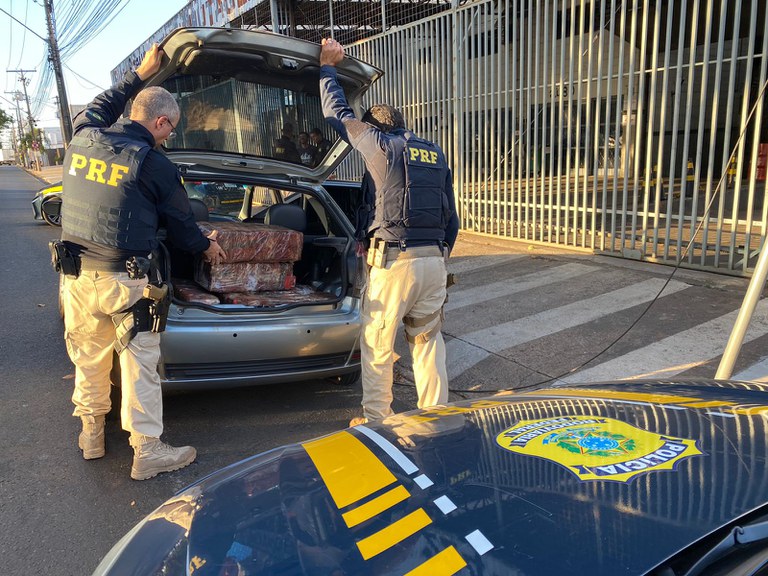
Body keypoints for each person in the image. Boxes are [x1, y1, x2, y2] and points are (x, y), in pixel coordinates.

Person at [58, 43, 226, 480]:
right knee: (138, 364)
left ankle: (92, 435)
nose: (169, 136)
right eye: (170, 128)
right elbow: (185, 229)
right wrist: (206, 245)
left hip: (76, 279)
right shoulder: (154, 164)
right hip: (126, 284)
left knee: (89, 358)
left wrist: (138, 75)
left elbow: (98, 107)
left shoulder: (82, 137)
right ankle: (147, 451)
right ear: (162, 121)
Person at [319, 38, 459, 427]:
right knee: (428, 344)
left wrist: (327, 67)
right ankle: (435, 417)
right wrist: (440, 253)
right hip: (434, 261)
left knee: (378, 346)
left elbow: (336, 111)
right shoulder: (433, 152)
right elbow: (452, 218)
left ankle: (378, 421)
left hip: (395, 263)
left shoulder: (379, 144)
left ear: (376, 127)